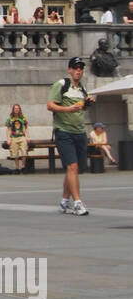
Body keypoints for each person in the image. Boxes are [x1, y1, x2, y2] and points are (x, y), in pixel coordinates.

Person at [48, 57, 95, 215]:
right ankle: (77, 203)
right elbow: (50, 105)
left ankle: (64, 201)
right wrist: (68, 109)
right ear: (69, 69)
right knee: (72, 167)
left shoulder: (82, 88)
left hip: (79, 131)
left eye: (81, 68)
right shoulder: (61, 84)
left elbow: (82, 109)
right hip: (64, 131)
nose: (78, 70)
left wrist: (87, 103)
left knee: (74, 169)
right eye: (75, 67)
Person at [5, 103, 30, 171]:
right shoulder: (10, 118)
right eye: (15, 108)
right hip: (14, 137)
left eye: (18, 108)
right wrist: (8, 139)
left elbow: (26, 127)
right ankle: (17, 167)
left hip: (22, 136)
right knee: (15, 153)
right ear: (13, 110)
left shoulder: (23, 117)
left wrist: (28, 137)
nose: (16, 110)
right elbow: (8, 129)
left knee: (24, 151)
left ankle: (23, 165)